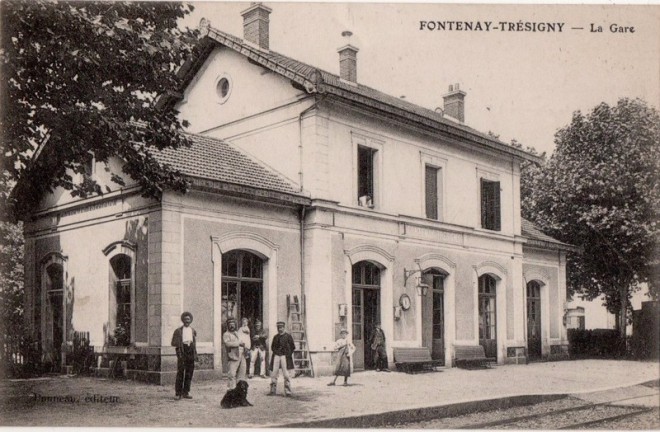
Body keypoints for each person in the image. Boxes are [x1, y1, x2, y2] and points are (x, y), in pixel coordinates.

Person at [171, 311, 197, 399]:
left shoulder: (192, 330)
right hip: (183, 351)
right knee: (181, 372)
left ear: (190, 321)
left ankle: (186, 392)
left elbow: (194, 342)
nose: (187, 321)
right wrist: (179, 352)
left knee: (189, 372)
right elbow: (174, 343)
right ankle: (178, 393)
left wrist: (194, 353)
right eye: (185, 319)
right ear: (183, 320)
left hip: (190, 351)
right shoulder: (178, 331)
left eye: (188, 319)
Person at [268, 321, 295, 396]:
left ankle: (288, 391)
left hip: (285, 356)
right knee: (274, 374)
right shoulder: (275, 337)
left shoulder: (288, 336)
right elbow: (272, 347)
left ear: (284, 327)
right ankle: (272, 390)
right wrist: (276, 352)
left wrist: (287, 354)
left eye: (281, 327)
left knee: (286, 374)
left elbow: (293, 347)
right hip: (276, 356)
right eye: (278, 328)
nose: (280, 329)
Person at [223, 317, 247, 389]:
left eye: (233, 324)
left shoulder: (237, 333)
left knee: (241, 373)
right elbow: (227, 344)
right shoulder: (226, 334)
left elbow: (242, 341)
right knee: (232, 374)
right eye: (230, 324)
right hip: (233, 356)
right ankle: (231, 390)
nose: (232, 326)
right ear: (228, 325)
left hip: (241, 355)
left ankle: (239, 391)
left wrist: (244, 346)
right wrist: (238, 343)